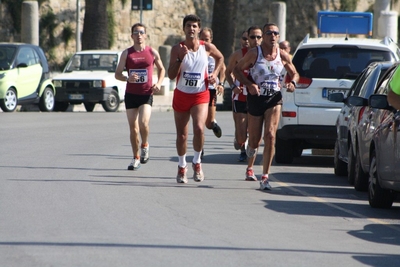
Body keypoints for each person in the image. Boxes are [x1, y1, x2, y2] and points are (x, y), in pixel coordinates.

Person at [233, 23, 299, 190]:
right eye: (269, 33)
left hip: (274, 98)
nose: (273, 36)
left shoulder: (282, 55)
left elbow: (295, 73)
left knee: (270, 135)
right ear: (264, 36)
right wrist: (249, 84)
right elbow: (237, 70)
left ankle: (265, 177)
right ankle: (250, 166)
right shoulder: (254, 53)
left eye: (276, 33)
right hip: (256, 99)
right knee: (254, 140)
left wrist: (293, 83)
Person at [168, 14, 224, 183]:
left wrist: (214, 74)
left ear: (199, 29)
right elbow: (171, 75)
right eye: (188, 26)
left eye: (194, 26)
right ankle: (181, 166)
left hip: (200, 94)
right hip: (182, 94)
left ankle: (197, 162)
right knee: (182, 136)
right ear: (183, 28)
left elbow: (220, 58)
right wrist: (180, 59)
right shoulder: (177, 49)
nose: (191, 29)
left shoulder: (206, 47)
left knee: (199, 128)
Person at [115, 23, 165, 170]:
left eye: (141, 32)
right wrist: (127, 78)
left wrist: (159, 83)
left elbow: (162, 69)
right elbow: (117, 74)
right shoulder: (127, 53)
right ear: (132, 36)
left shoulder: (152, 52)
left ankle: (145, 145)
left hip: (146, 94)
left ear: (146, 35)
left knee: (143, 123)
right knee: (133, 129)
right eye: (136, 33)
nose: (139, 35)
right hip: (131, 95)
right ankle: (135, 157)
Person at [225, 26, 263, 181]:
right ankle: (239, 139)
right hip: (240, 98)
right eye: (246, 38)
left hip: (256, 98)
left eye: (254, 38)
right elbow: (228, 72)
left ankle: (250, 168)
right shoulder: (237, 55)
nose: (250, 41)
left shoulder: (264, 55)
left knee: (255, 135)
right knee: (242, 137)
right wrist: (233, 87)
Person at [199, 27, 225, 139]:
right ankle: (200, 147)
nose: (204, 42)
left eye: (207, 39)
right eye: (202, 39)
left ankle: (213, 124)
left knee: (208, 123)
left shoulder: (214, 52)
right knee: (199, 122)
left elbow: (223, 68)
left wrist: (221, 84)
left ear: (211, 39)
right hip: (199, 89)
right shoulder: (196, 51)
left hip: (211, 89)